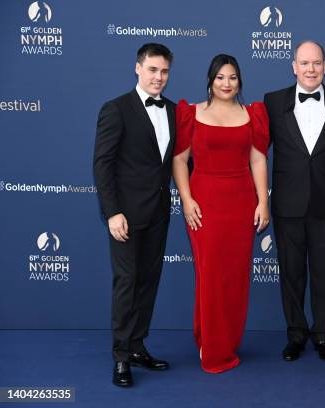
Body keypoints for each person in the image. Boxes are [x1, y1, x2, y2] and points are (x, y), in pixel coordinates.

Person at [173, 54, 269, 373]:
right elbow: (179, 160)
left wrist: (262, 202)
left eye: (233, 77)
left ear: (239, 81)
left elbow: (257, 159)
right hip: (205, 201)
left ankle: (223, 339)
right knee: (211, 274)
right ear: (210, 80)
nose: (227, 84)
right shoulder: (192, 113)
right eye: (220, 78)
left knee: (235, 276)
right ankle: (213, 348)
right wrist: (186, 200)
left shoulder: (252, 114)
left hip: (241, 200)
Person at [264, 41, 325, 362]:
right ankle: (295, 334)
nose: (311, 69)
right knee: (291, 272)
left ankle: (322, 334)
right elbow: (255, 152)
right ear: (293, 66)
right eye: (304, 63)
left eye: (316, 63)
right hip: (287, 204)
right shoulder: (272, 102)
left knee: (323, 272)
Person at [93, 43, 175, 387]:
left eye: (164, 71)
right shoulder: (116, 109)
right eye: (153, 70)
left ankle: (138, 345)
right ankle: (121, 357)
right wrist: (112, 213)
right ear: (137, 68)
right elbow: (103, 164)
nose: (159, 77)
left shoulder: (172, 110)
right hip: (125, 215)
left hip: (159, 211)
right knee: (127, 283)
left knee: (147, 282)